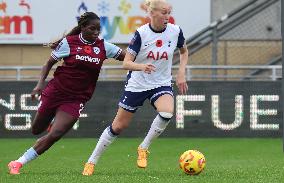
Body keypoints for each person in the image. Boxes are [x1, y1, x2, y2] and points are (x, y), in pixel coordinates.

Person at [8, 12, 125, 175]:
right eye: (93, 29)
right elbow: (48, 63)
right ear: (83, 27)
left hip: (76, 98)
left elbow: (127, 57)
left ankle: (17, 162)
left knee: (55, 134)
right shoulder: (69, 43)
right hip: (55, 92)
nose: (97, 32)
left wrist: (143, 61)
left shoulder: (104, 46)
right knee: (36, 129)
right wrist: (39, 85)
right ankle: (51, 120)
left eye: (99, 29)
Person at [82, 0, 188, 176]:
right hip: (137, 83)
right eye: (163, 12)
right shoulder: (141, 34)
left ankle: (144, 148)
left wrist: (181, 72)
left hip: (160, 83)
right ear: (152, 13)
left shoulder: (175, 31)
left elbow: (184, 51)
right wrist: (142, 67)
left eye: (169, 12)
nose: (167, 17)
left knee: (167, 112)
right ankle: (91, 161)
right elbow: (126, 63)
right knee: (118, 126)